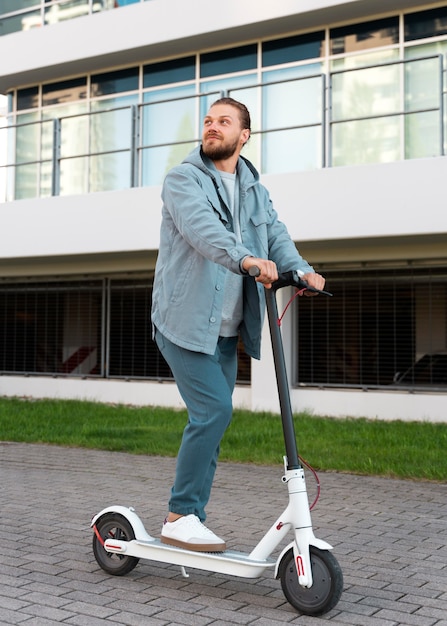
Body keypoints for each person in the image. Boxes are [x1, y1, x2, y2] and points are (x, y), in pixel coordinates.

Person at [151, 97, 325, 552]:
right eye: (208, 121)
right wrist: (247, 259)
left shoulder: (254, 189)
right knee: (214, 412)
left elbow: (276, 234)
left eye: (223, 122)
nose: (212, 127)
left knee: (210, 420)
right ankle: (179, 515)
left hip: (227, 330)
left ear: (243, 135)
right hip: (185, 324)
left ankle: (189, 515)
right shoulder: (182, 179)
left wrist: (301, 270)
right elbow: (204, 231)